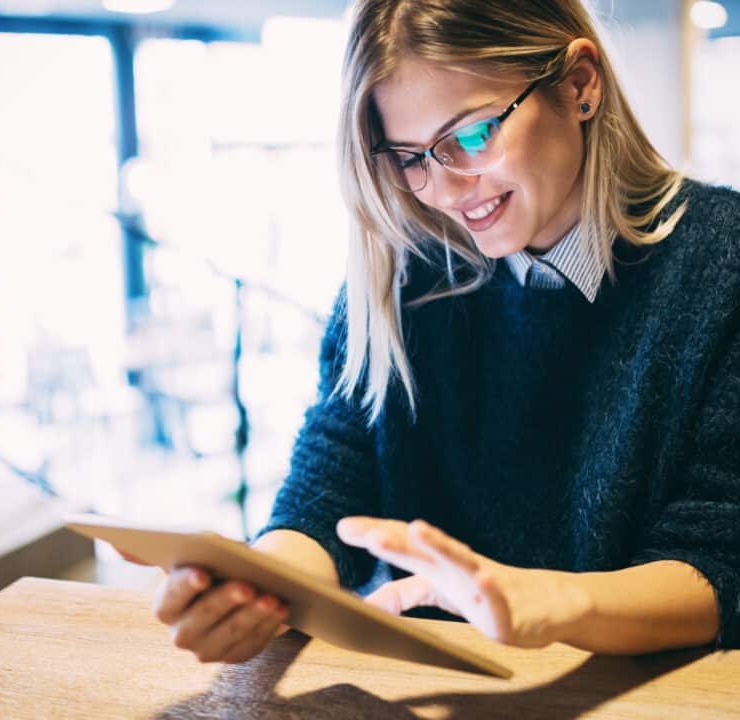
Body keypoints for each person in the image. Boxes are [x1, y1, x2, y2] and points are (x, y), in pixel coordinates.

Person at [148, 0, 740, 664]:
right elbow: (329, 489)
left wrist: (542, 602)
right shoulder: (407, 271)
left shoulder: (722, 263)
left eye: (473, 134)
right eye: (409, 157)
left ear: (580, 85)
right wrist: (259, 587)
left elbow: (719, 560)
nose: (447, 189)